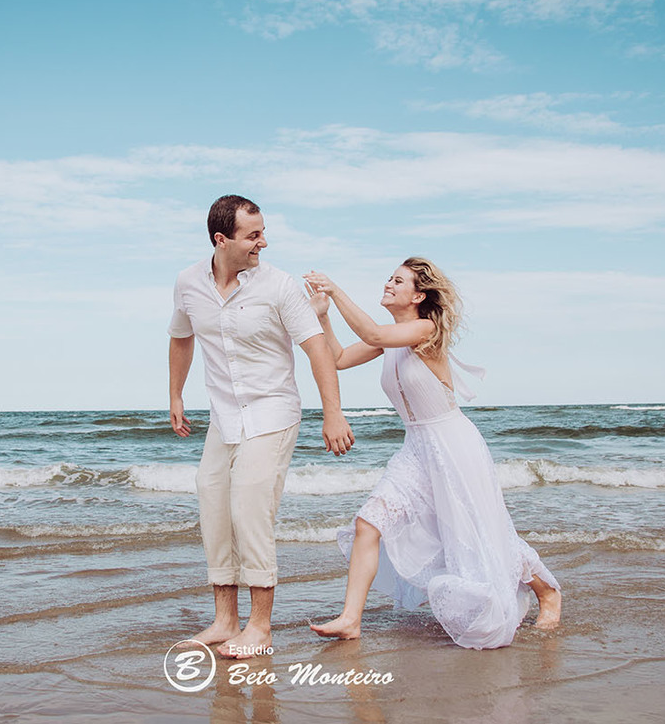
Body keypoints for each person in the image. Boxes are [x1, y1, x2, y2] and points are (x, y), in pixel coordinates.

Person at [303, 257, 561, 649]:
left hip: (454, 446)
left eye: (398, 280)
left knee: (479, 535)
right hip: (415, 449)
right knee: (369, 522)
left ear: (419, 295)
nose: (388, 284)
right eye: (389, 278)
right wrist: (323, 316)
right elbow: (337, 359)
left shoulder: (424, 329)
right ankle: (351, 619)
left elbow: (370, 330)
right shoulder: (389, 338)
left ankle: (547, 591)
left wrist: (336, 290)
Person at [168, 195, 355, 660]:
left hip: (272, 411)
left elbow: (315, 349)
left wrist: (333, 413)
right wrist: (175, 394)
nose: (263, 242)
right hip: (223, 416)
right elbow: (180, 336)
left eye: (262, 232)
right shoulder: (189, 282)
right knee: (213, 503)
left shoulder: (278, 285)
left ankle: (260, 627)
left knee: (250, 506)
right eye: (253, 235)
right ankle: (225, 620)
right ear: (221, 239)